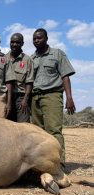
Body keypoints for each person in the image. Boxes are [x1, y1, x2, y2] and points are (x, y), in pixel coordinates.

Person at [31, 28, 76, 168]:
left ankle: (59, 164)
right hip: (35, 97)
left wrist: (69, 98)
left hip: (52, 95)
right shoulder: (32, 58)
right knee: (38, 132)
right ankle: (41, 165)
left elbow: (65, 76)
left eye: (39, 38)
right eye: (34, 39)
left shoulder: (57, 53)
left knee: (54, 130)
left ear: (46, 38)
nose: (36, 41)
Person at [5, 33, 34, 122]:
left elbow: (29, 81)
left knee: (23, 127)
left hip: (21, 98)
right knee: (8, 127)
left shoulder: (27, 60)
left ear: (22, 44)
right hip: (5, 97)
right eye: (12, 42)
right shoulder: (3, 58)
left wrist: (25, 99)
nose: (14, 44)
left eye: (17, 42)